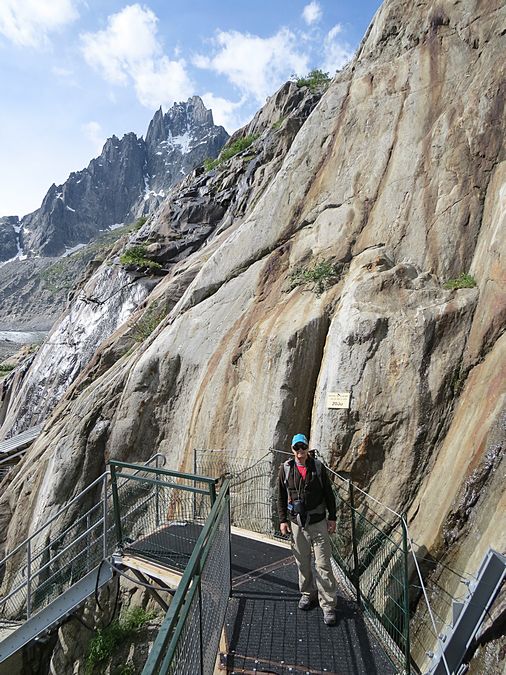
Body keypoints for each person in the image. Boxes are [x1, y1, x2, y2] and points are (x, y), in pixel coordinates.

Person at [277, 433, 338, 626]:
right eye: (297, 448)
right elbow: (279, 495)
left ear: (307, 448)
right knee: (302, 561)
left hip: (318, 521)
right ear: (292, 449)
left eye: (303, 447)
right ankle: (307, 593)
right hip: (297, 523)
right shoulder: (286, 469)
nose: (300, 451)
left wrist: (332, 518)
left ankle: (328, 605)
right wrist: (283, 520)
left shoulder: (318, 468)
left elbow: (329, 494)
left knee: (323, 564)